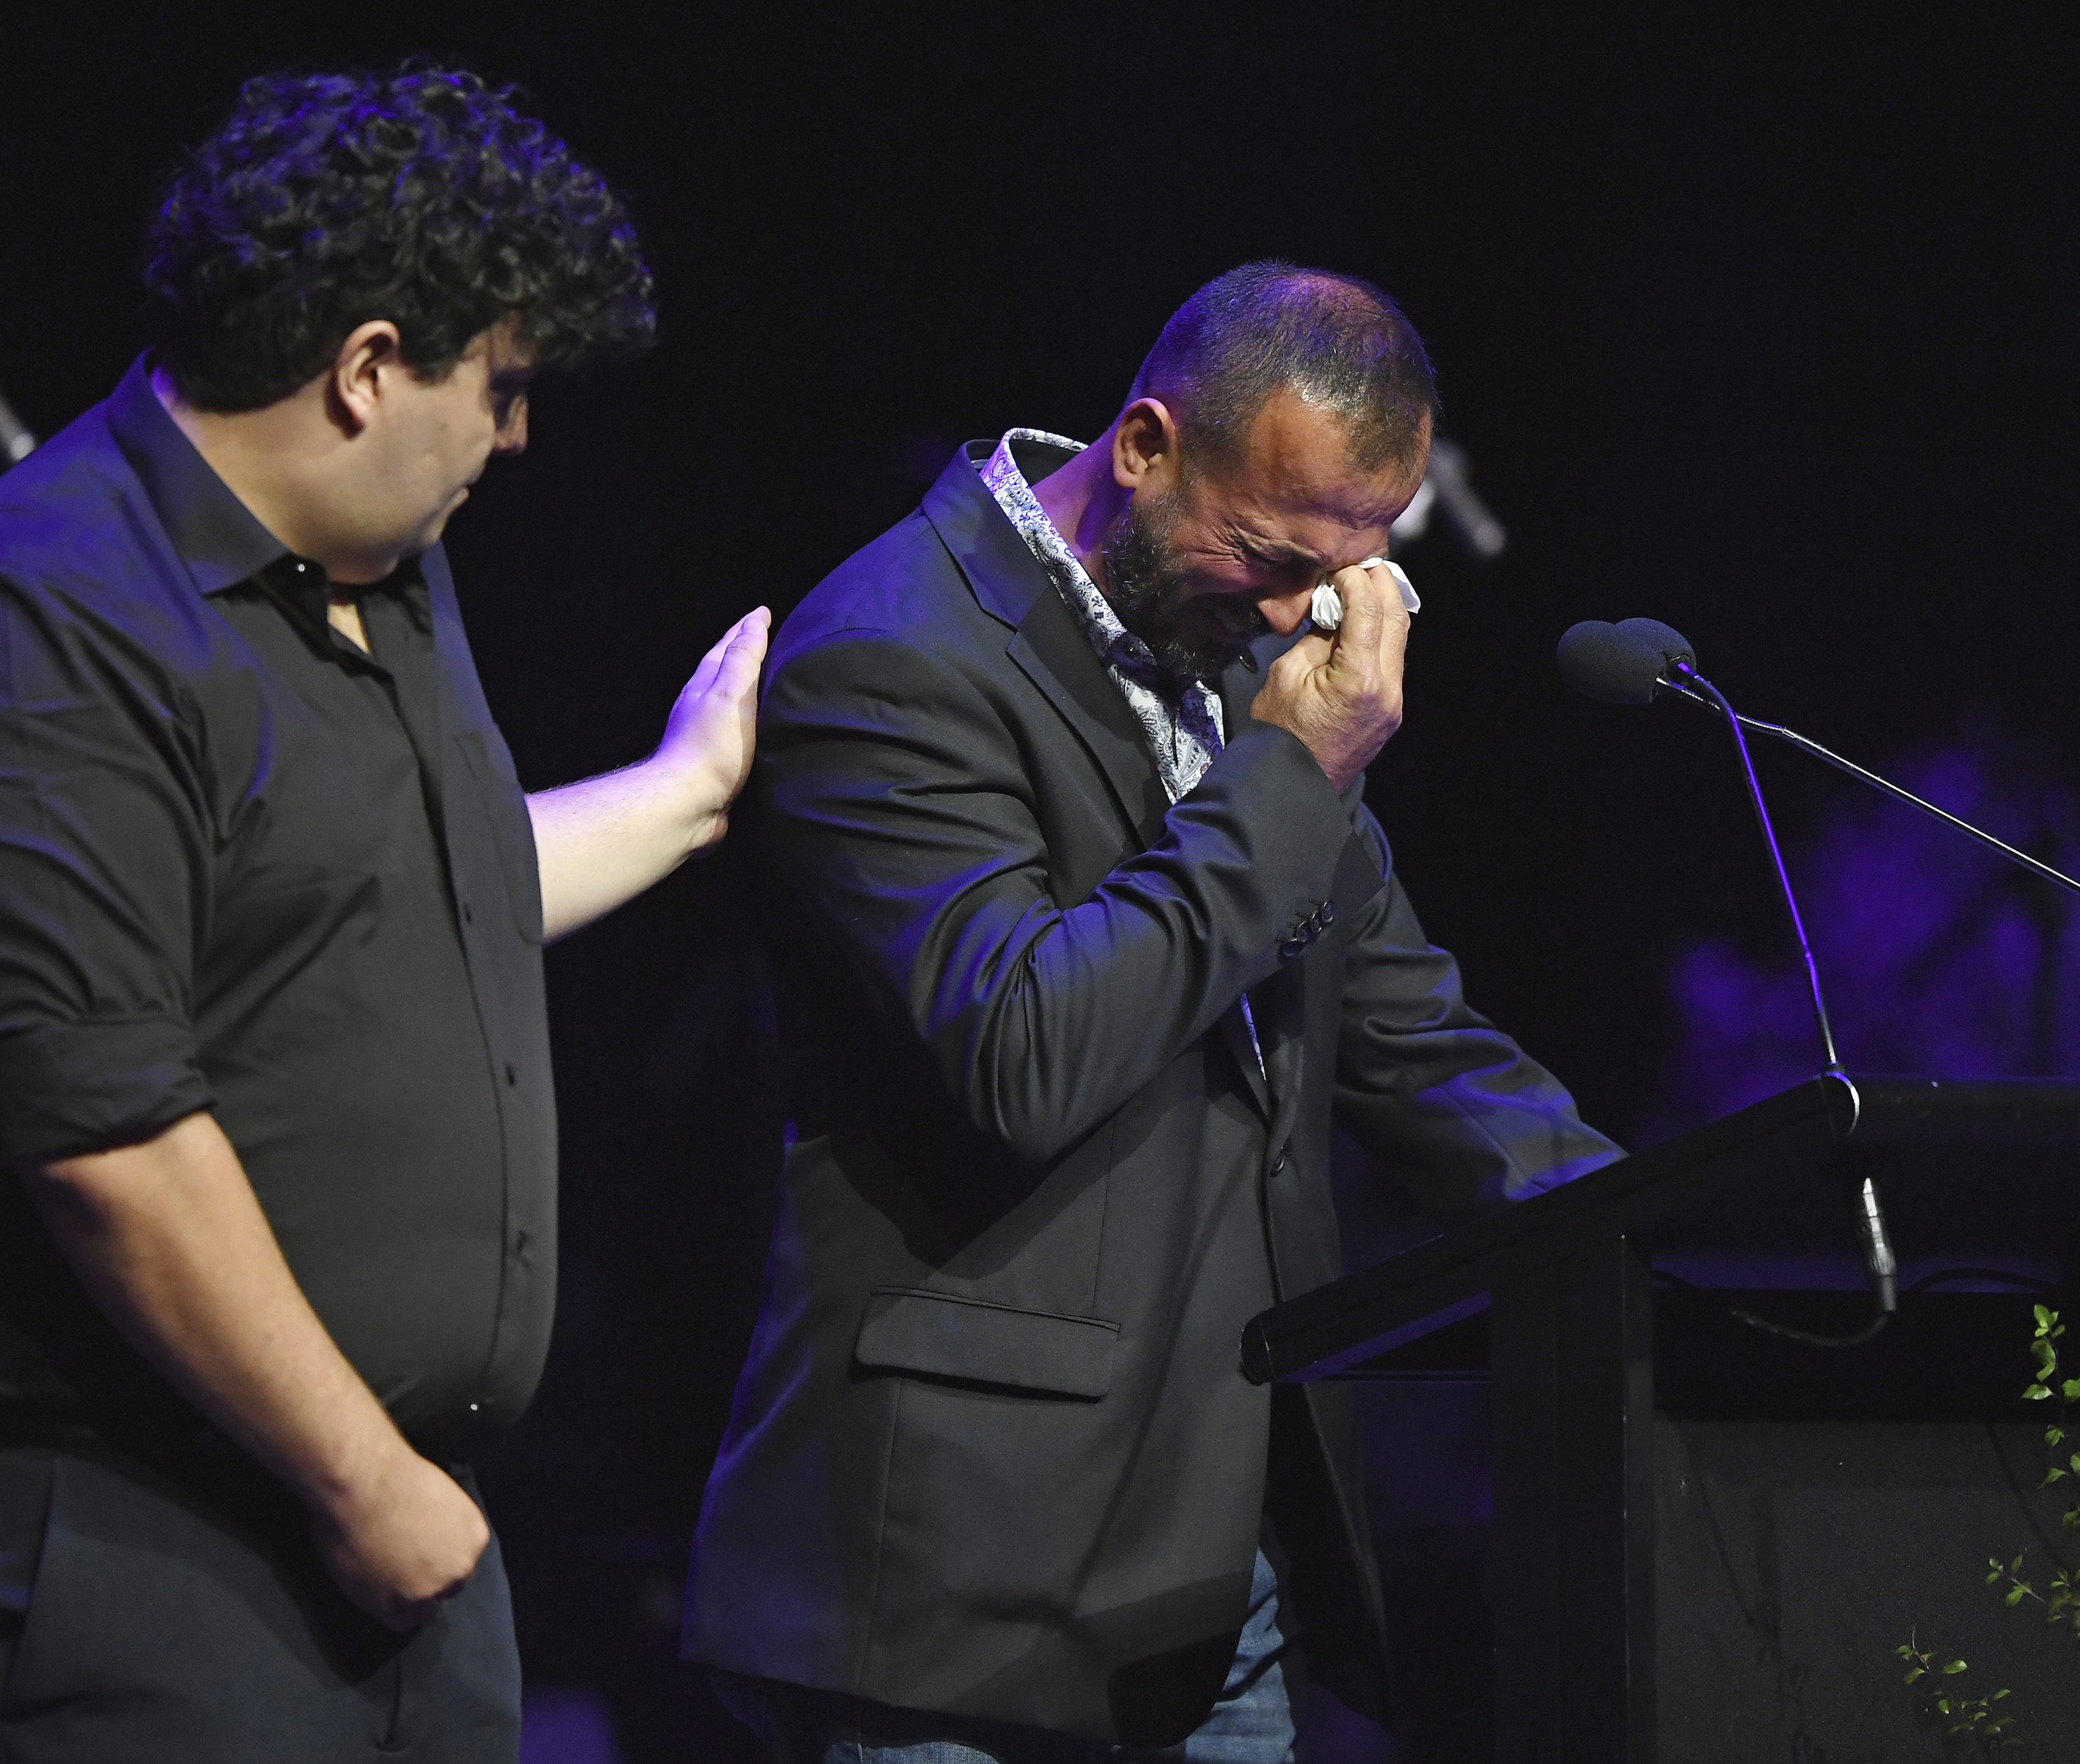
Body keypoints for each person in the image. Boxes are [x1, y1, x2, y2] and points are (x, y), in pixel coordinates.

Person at [0, 66, 765, 1762]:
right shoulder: (35, 617)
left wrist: (689, 788)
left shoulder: (379, 577)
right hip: (131, 1552)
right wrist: (360, 1477)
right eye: (503, 384)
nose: (518, 434)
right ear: (363, 371)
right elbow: (104, 1136)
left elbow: (422, 903)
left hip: (386, 1544)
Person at [684, 261, 1620, 1761]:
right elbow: (1023, 1050)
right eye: (1262, 555)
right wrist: (1286, 778)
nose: (1297, 612)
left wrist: (1655, 1247)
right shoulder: (891, 653)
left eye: (1339, 575)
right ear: (1141, 448)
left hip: (1209, 1581)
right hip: (953, 1592)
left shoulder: (1240, 661)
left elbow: (1405, 1035)